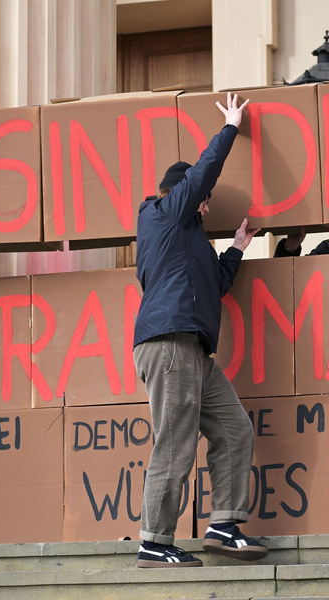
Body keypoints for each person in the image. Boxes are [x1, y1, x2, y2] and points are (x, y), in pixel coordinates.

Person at [133, 93, 268, 569]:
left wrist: (235, 249)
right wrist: (231, 127)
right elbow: (200, 176)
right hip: (169, 344)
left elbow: (216, 287)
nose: (206, 208)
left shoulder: (188, 241)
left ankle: (223, 524)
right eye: (203, 200)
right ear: (182, 194)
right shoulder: (161, 214)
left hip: (194, 349)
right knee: (175, 442)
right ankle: (154, 540)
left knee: (234, 429)